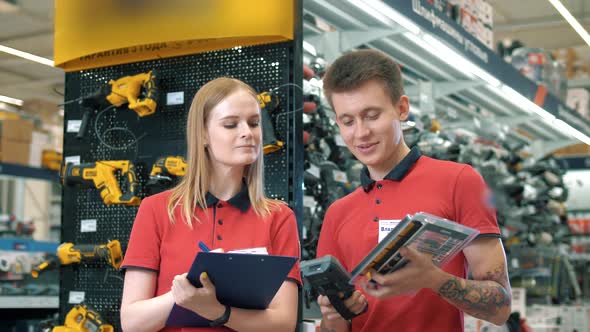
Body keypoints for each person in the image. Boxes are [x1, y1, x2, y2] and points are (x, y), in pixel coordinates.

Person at [315, 49, 512, 332]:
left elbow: (501, 307)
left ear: (402, 108)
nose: (360, 133)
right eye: (348, 121)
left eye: (371, 116)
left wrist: (433, 279)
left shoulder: (460, 181)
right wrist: (333, 318)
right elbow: (334, 326)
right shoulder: (338, 212)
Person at [120, 77, 301, 332]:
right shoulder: (157, 210)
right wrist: (183, 293)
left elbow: (283, 324)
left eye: (254, 123)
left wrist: (218, 311)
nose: (247, 133)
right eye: (230, 124)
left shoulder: (279, 217)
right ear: (203, 134)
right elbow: (132, 322)